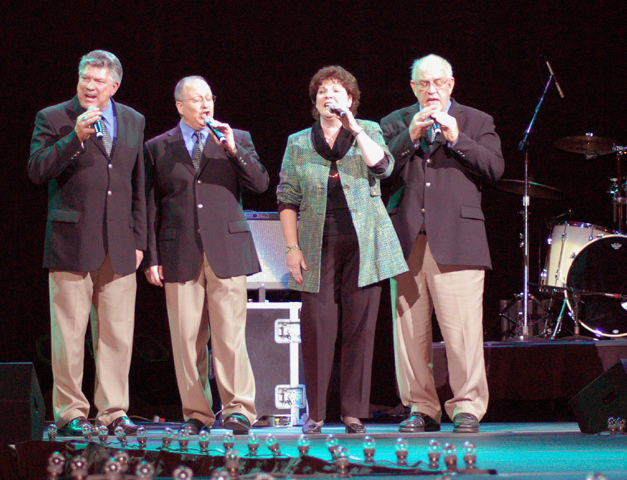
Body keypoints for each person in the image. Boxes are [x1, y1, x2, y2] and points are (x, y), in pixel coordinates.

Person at [277, 66, 408, 434]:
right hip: (318, 243)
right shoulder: (299, 142)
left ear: (350, 100)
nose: (328, 96)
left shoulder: (368, 130)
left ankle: (352, 411)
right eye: (322, 91)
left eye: (336, 91)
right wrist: (292, 247)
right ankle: (316, 412)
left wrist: (356, 128)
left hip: (365, 243)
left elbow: (383, 168)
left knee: (360, 329)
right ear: (314, 100)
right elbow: (287, 197)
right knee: (318, 326)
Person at [381, 54, 504, 433]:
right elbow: (379, 171)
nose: (430, 90)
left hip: (458, 238)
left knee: (462, 330)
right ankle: (421, 407)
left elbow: (494, 168)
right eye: (423, 84)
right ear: (413, 87)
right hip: (406, 239)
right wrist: (410, 137)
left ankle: (467, 405)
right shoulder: (395, 122)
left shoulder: (476, 121)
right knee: (410, 333)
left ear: (451, 84)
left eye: (438, 82)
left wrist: (456, 137)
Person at [28, 50, 145, 436]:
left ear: (114, 86)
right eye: (85, 79)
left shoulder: (133, 120)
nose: (90, 87)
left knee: (115, 334)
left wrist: (140, 238)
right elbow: (38, 170)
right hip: (70, 241)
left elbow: (137, 185)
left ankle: (113, 411)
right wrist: (75, 139)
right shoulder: (54, 117)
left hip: (120, 243)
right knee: (69, 335)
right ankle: (71, 412)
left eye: (98, 81)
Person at [143, 76, 268, 435]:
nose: (205, 106)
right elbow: (151, 205)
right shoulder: (157, 147)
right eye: (196, 100)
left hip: (226, 250)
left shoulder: (237, 138)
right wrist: (152, 255)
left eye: (209, 98)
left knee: (230, 335)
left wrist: (232, 150)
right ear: (179, 106)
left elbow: (259, 183)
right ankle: (196, 413)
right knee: (186, 340)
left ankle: (239, 410)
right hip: (178, 250)